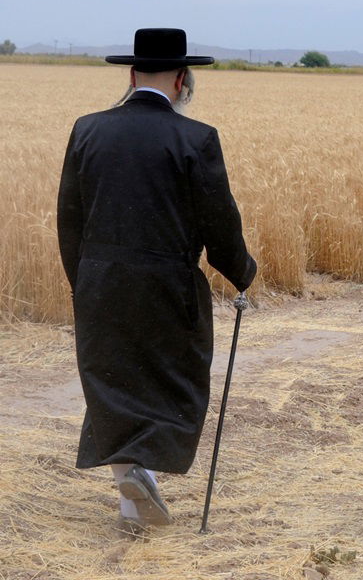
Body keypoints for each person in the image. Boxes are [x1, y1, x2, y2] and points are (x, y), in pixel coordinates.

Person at [57, 28, 257, 535]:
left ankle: (132, 497)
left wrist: (83, 283)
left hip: (100, 280)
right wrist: (241, 272)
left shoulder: (87, 129)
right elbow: (219, 221)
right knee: (174, 384)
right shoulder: (196, 138)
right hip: (168, 284)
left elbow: (69, 220)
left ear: (131, 74)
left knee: (111, 386)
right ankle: (138, 487)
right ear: (182, 79)